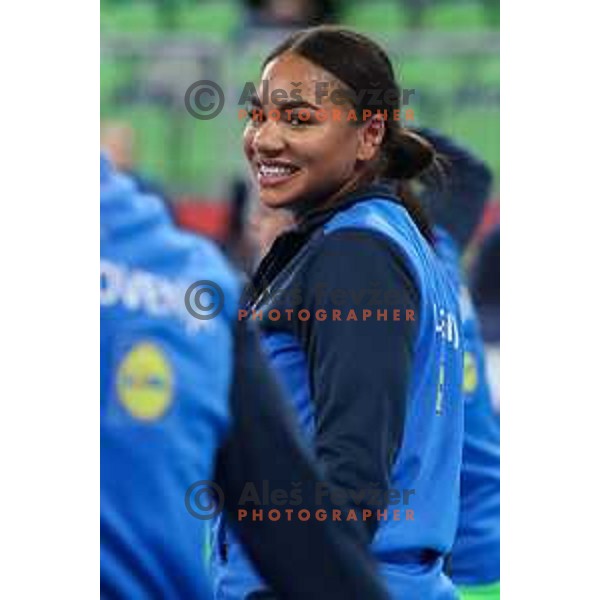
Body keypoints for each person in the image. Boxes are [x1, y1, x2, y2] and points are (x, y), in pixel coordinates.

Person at [212, 26, 465, 600]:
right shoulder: (392, 241)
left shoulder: (358, 253)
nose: (265, 139)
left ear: (369, 133)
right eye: (257, 116)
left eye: (299, 120)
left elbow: (351, 476)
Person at [100, 154, 390, 599]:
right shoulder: (194, 280)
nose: (258, 222)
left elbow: (315, 504)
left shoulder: (349, 261)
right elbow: (310, 542)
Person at [412, 129, 500, 600]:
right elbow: (472, 174)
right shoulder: (437, 249)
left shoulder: (377, 278)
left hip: (448, 559)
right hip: (489, 542)